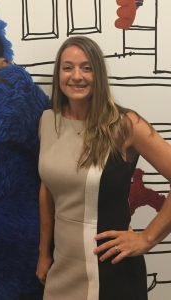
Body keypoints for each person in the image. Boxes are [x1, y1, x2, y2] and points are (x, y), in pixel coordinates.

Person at [36, 35, 171, 300]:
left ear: (98, 74)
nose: (77, 76)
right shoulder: (47, 121)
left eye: (87, 68)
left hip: (111, 271)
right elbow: (47, 189)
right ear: (58, 74)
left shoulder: (125, 125)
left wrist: (148, 238)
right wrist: (43, 253)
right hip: (62, 267)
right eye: (68, 67)